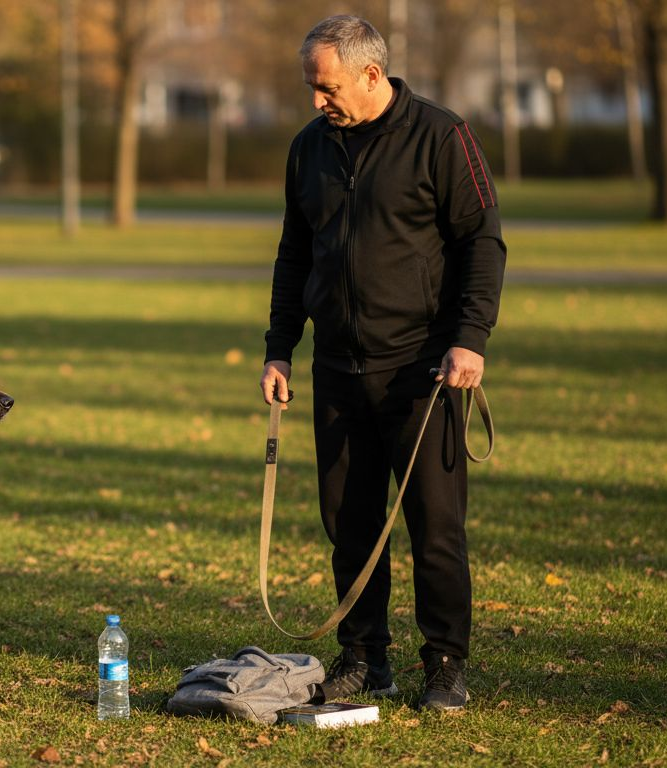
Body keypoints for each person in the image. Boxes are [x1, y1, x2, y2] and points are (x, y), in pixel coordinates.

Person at [259, 15, 505, 711]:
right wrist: (280, 346)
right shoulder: (310, 148)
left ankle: (445, 664)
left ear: (371, 75)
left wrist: (470, 337)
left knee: (436, 527)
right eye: (311, 86)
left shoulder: (442, 136)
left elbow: (482, 243)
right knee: (349, 524)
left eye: (326, 85)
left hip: (423, 371)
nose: (315, 100)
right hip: (336, 369)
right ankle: (365, 659)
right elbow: (293, 253)